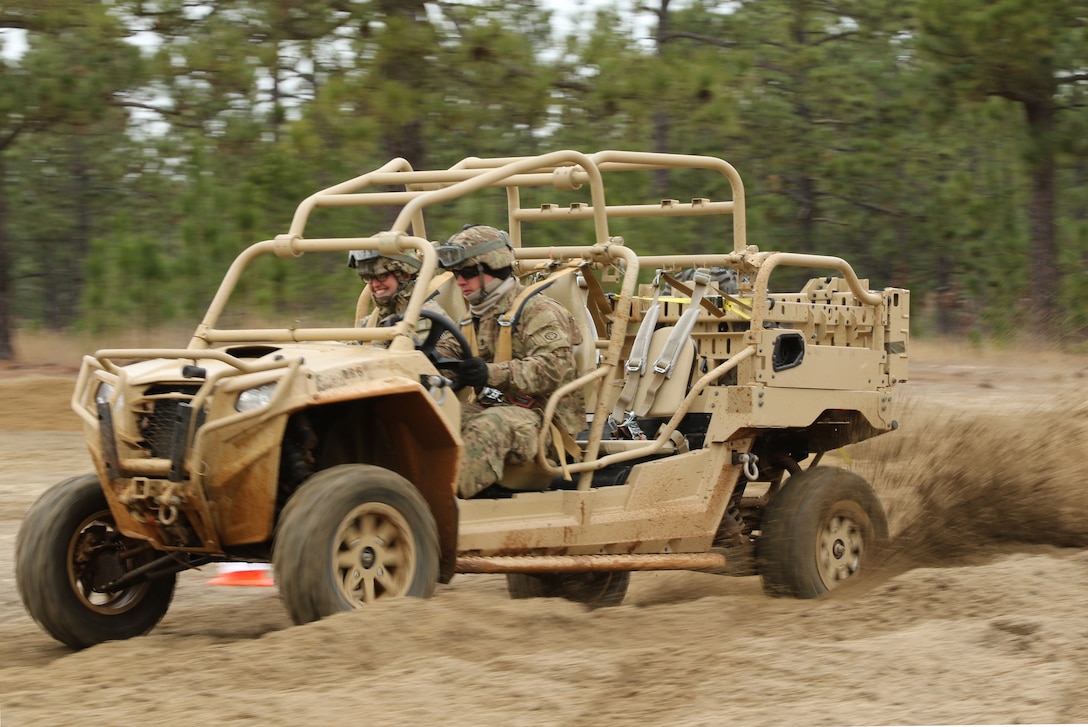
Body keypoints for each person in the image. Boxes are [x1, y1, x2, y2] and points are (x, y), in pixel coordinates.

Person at [435, 224, 585, 498]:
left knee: (489, 427)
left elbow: (553, 369)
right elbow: (446, 354)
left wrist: (488, 374)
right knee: (434, 421)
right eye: (456, 274)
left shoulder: (539, 311)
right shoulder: (473, 317)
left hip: (542, 422)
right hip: (492, 408)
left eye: (468, 273)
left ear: (493, 269)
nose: (460, 282)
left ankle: (438, 504)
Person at [347, 248, 443, 345]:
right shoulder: (371, 321)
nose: (375, 285)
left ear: (405, 275)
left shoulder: (428, 316)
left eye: (382, 276)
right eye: (368, 278)